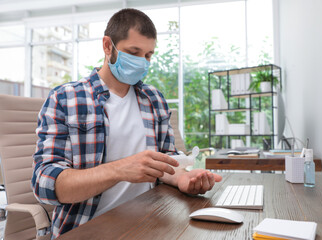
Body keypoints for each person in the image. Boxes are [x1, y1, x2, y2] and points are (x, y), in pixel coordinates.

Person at [32, 8, 222, 239]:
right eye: (134, 52)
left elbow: (167, 161)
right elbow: (44, 184)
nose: (142, 63)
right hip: (88, 228)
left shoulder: (154, 100)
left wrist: (183, 178)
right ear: (107, 46)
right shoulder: (65, 98)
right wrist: (120, 169)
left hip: (151, 221)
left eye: (148, 55)